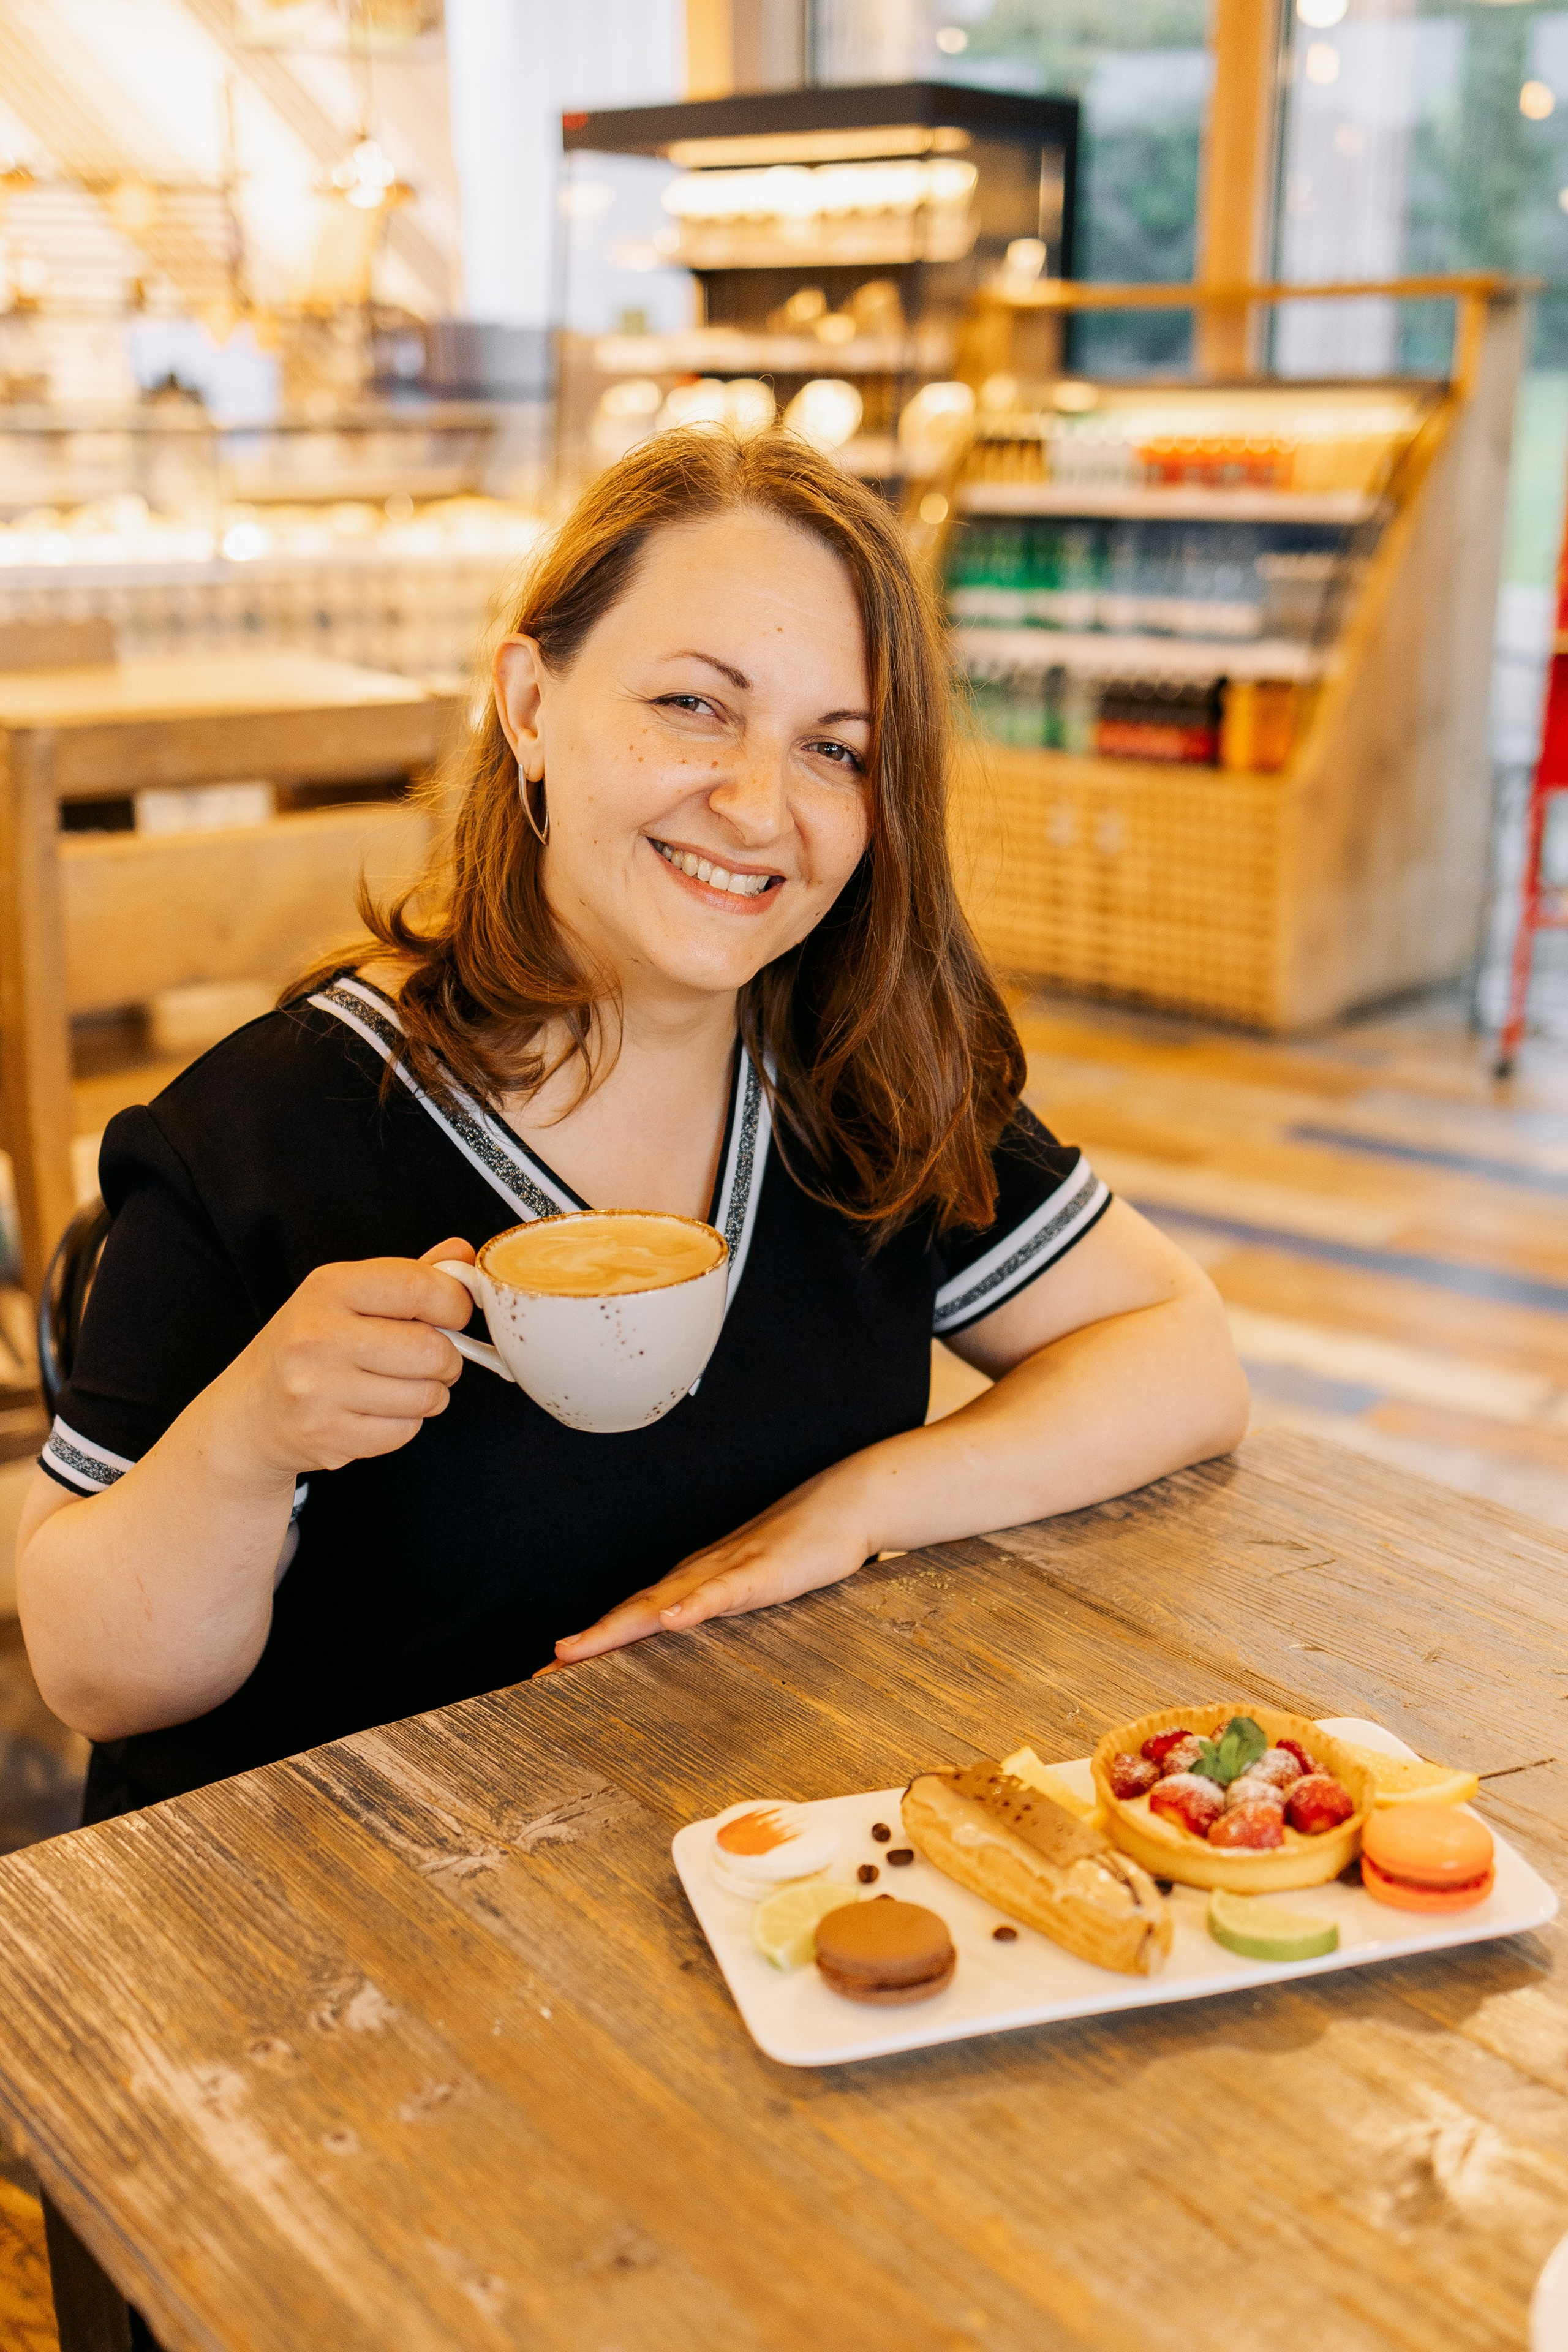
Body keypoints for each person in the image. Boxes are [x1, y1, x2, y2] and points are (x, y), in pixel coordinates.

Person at [16, 427, 1249, 1825]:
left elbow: (1179, 1356)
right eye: (693, 706)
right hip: (324, 1925)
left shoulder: (861, 1077)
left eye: (834, 749)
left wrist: (855, 1509)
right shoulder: (264, 1131)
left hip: (737, 1862)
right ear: (529, 705)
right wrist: (248, 1441)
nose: (756, 805)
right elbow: (95, 1677)